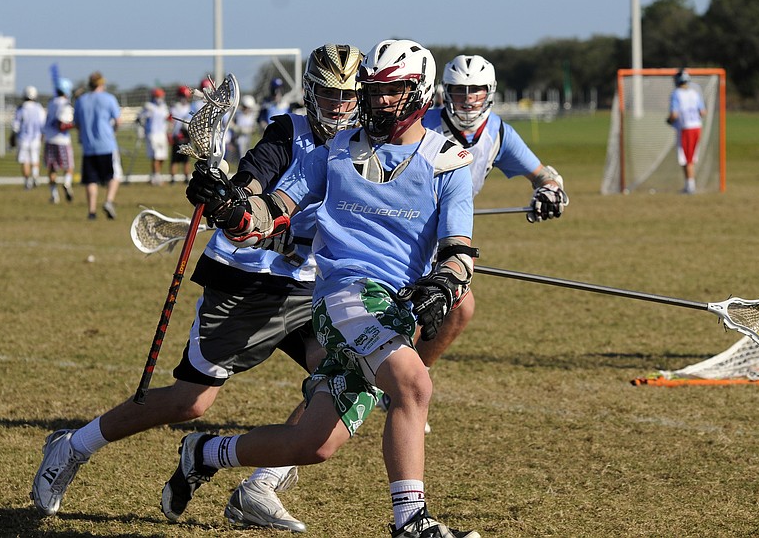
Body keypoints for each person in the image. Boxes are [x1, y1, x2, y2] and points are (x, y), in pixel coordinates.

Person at [30, 43, 364, 534]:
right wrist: (230, 200)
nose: (338, 106)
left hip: (310, 285)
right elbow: (255, 182)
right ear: (310, 93)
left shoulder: (362, 141)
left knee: (345, 374)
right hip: (249, 280)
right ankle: (71, 446)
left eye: (348, 96)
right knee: (191, 402)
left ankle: (261, 485)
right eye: (328, 95)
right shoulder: (286, 132)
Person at [161, 39, 481, 538]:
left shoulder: (448, 162)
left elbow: (460, 251)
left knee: (313, 444)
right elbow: (263, 219)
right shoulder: (334, 152)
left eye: (392, 91)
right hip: (345, 297)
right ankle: (411, 523)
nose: (378, 101)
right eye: (373, 91)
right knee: (414, 385)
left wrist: (444, 282)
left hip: (393, 306)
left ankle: (203, 453)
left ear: (420, 91)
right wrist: (228, 208)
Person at [417, 54, 567, 373]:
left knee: (459, 309)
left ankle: (410, 376)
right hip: (401, 230)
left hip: (446, 237)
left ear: (490, 92)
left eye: (476, 90)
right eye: (459, 90)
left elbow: (544, 176)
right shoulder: (420, 124)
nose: (468, 99)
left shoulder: (498, 132)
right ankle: (395, 380)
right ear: (446, 92)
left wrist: (550, 192)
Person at [73, 71, 122, 219]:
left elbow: (77, 123)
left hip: (89, 146)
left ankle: (92, 211)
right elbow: (118, 121)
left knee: (91, 179)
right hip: (107, 144)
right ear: (101, 84)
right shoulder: (109, 99)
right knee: (114, 175)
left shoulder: (81, 100)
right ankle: (108, 201)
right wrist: (113, 131)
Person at [667, 69, 706, 194]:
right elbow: (703, 112)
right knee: (691, 157)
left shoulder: (676, 94)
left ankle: (690, 186)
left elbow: (674, 114)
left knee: (686, 158)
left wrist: (669, 121)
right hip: (697, 127)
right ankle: (689, 185)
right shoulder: (694, 93)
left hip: (686, 128)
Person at [43, 78, 76, 203]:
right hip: (62, 140)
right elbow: (61, 125)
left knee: (52, 169)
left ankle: (54, 195)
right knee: (69, 167)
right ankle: (67, 183)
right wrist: (75, 125)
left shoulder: (51, 102)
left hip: (49, 140)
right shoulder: (65, 104)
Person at [11, 85, 46, 190]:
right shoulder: (39, 108)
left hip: (23, 139)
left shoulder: (21, 109)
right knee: (35, 159)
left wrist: (12, 137)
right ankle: (35, 177)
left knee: (25, 160)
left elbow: (15, 126)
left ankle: (27, 182)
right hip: (36, 138)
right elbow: (43, 124)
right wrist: (42, 136)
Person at [137, 88, 171, 186]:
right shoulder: (149, 107)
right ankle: (156, 178)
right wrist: (142, 130)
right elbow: (140, 118)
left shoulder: (164, 107)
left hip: (162, 134)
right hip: (152, 134)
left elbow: (167, 119)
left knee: (162, 156)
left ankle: (155, 176)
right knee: (155, 156)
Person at [168, 85, 192, 184]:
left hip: (187, 136)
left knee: (186, 159)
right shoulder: (174, 108)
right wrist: (170, 134)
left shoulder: (190, 108)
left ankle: (186, 177)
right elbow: (170, 122)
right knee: (175, 159)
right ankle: (173, 178)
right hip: (177, 136)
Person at [231, 94, 259, 163]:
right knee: (238, 158)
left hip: (248, 140)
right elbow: (232, 124)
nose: (246, 109)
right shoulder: (238, 114)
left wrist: (248, 130)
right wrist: (237, 129)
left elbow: (254, 128)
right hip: (238, 140)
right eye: (245, 107)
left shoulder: (252, 117)